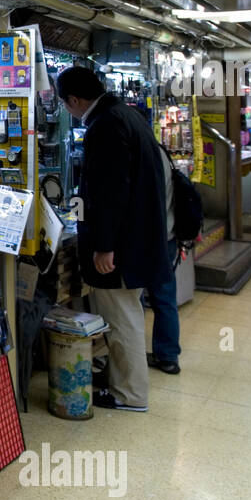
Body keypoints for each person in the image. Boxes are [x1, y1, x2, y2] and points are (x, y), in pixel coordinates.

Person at [57, 67, 172, 412]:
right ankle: (124, 386)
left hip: (120, 248)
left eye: (65, 104)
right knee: (128, 315)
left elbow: (109, 192)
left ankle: (129, 395)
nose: (66, 110)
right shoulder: (128, 116)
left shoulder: (104, 126)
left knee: (122, 321)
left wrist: (105, 246)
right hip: (139, 241)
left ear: (74, 100)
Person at [146, 151, 180, 374]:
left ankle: (135, 354)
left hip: (150, 239)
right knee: (165, 298)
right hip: (168, 235)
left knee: (136, 300)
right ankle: (168, 356)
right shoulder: (163, 154)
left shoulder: (144, 154)